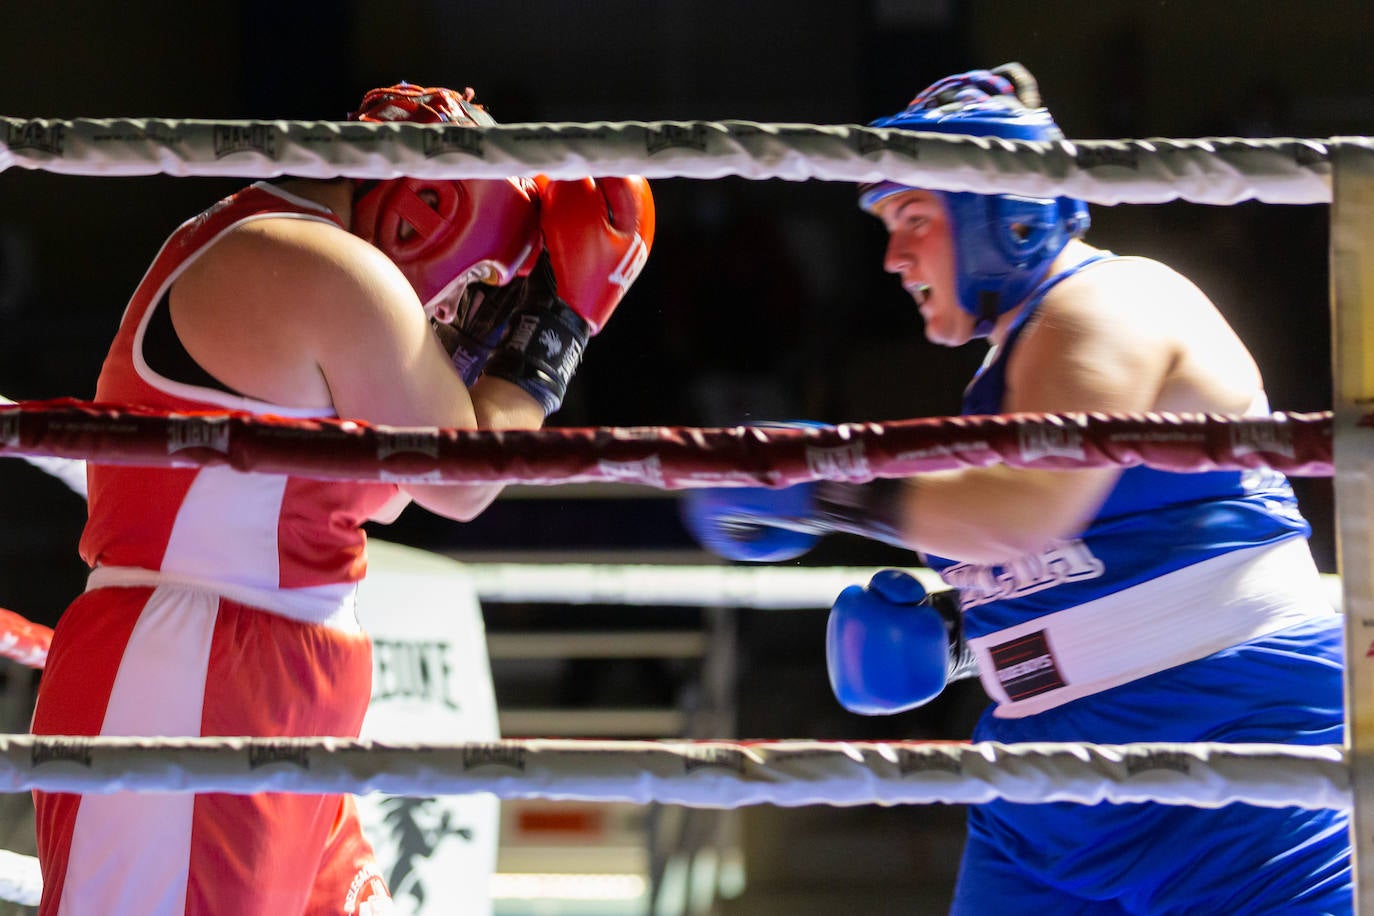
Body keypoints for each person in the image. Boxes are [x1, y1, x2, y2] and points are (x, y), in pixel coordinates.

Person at [681, 64, 1350, 913]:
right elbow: (1078, 549)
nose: (892, 256)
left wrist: (824, 489)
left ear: (1004, 211)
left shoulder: (1109, 303)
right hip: (1044, 777)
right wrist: (969, 639)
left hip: (1226, 740)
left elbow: (1025, 513)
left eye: (914, 217)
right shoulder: (1017, 360)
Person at [29, 82, 654, 915]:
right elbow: (463, 482)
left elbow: (395, 492)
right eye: (473, 289)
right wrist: (557, 331)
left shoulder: (286, 250)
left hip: (278, 685)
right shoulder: (322, 265)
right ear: (420, 212)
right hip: (193, 682)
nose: (457, 314)